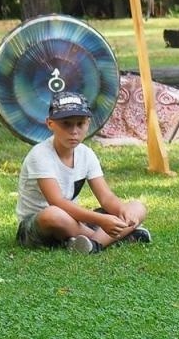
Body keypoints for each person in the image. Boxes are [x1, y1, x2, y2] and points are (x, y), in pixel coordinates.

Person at [15, 92, 151, 254]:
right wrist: (102, 220)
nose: (74, 131)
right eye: (66, 124)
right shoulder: (40, 155)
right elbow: (57, 202)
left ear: (88, 124)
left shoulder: (86, 154)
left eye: (80, 124)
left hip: (74, 220)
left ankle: (92, 245)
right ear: (50, 124)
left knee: (137, 207)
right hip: (40, 224)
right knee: (53, 214)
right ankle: (115, 237)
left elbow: (106, 197)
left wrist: (123, 211)